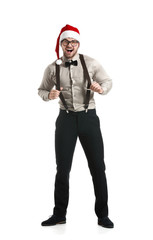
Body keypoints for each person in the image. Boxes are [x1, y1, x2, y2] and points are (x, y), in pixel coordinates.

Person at [38, 24, 114, 228]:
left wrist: (101, 88)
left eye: (73, 41)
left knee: (98, 167)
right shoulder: (52, 67)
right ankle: (59, 214)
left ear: (78, 44)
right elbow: (41, 90)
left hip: (89, 118)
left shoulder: (90, 63)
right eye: (66, 41)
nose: (69, 45)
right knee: (62, 169)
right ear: (61, 44)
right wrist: (49, 95)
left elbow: (107, 81)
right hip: (66, 120)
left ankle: (103, 215)